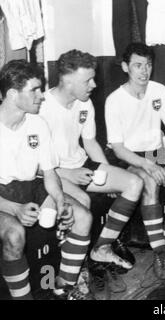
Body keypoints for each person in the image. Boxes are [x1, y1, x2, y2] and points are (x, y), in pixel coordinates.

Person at [38, 50, 143, 274]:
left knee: (134, 183)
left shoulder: (84, 103)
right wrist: (66, 173)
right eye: (87, 80)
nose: (93, 84)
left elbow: (91, 142)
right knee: (82, 201)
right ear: (67, 81)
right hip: (54, 173)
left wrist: (107, 171)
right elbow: (37, 162)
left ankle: (102, 248)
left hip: (81, 165)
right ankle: (77, 270)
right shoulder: (42, 107)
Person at [0, 60, 93, 300]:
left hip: (30, 187)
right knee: (14, 234)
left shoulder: (37, 123)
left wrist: (60, 202)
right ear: (12, 94)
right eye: (35, 89)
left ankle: (63, 288)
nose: (41, 96)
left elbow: (50, 174)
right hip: (2, 196)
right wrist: (14, 208)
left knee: (82, 216)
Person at [104, 43, 165, 281]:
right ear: (125, 67)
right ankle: (160, 252)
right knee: (151, 183)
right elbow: (118, 149)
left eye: (148, 65)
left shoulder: (159, 90)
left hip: (158, 152)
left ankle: (163, 240)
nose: (144, 71)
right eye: (138, 65)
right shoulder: (114, 100)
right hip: (129, 157)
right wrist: (147, 165)